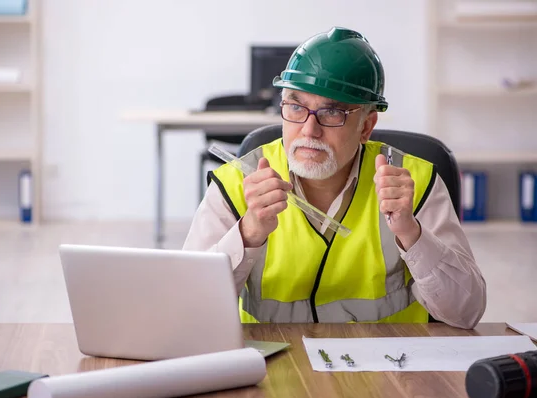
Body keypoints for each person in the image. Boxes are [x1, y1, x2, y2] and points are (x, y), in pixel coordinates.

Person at [183, 27, 486, 329]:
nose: (309, 130)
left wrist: (412, 233)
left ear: (366, 126)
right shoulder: (235, 183)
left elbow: (466, 313)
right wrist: (247, 234)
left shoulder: (413, 183)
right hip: (275, 368)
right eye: (296, 106)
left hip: (390, 369)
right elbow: (188, 314)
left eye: (331, 113)